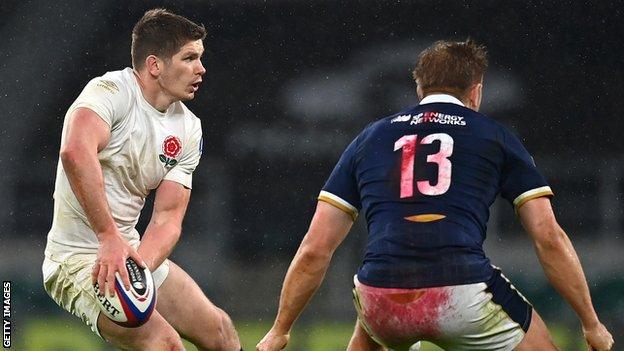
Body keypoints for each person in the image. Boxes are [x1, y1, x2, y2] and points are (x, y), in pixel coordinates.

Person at [256, 39, 614, 351]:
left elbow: (315, 248)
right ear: (476, 90)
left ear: (419, 89)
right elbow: (549, 238)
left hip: (383, 295)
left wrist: (279, 330)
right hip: (461, 292)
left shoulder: (371, 137)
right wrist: (591, 322)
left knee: (370, 324)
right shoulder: (494, 136)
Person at [42, 9, 241, 351]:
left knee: (219, 331)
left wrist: (139, 267)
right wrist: (108, 237)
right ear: (154, 65)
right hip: (74, 259)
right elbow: (75, 152)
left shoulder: (189, 127)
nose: (201, 69)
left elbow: (167, 218)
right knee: (166, 344)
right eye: (189, 58)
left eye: (200, 58)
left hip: (129, 252)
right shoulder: (109, 92)